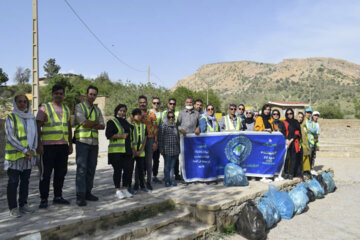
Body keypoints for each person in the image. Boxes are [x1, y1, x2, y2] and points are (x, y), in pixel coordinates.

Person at [36, 84, 73, 209]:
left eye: (61, 93)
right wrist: (39, 144)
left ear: (63, 95)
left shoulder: (66, 109)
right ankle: (44, 199)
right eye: (56, 93)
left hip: (62, 146)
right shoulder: (44, 108)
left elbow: (68, 127)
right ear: (52, 94)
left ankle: (58, 196)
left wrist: (70, 144)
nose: (59, 95)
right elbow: (37, 127)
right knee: (45, 174)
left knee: (61, 173)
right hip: (48, 147)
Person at [5, 95, 37, 217]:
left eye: (25, 102)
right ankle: (13, 208)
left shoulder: (31, 118)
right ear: (15, 103)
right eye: (20, 102)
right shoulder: (11, 117)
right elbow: (10, 137)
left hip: (28, 157)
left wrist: (33, 150)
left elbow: (35, 136)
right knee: (13, 183)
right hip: (15, 157)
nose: (23, 104)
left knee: (25, 182)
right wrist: (25, 150)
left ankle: (23, 204)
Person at [74, 85, 105, 206]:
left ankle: (88, 192)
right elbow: (83, 122)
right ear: (86, 94)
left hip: (94, 143)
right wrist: (94, 123)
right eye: (90, 94)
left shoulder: (97, 110)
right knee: (81, 169)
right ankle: (80, 195)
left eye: (94, 94)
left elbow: (103, 126)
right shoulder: (79, 106)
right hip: (82, 142)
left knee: (91, 168)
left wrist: (90, 123)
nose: (92, 96)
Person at [106, 104, 134, 199]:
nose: (122, 112)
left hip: (127, 150)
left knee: (128, 170)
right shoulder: (112, 122)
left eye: (124, 111)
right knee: (117, 171)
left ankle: (125, 189)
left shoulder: (126, 122)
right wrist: (120, 136)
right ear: (116, 111)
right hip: (116, 151)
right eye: (120, 110)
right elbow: (108, 135)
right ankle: (117, 190)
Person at [138, 95, 158, 191]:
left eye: (144, 102)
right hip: (139, 140)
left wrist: (155, 141)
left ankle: (148, 182)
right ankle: (138, 183)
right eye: (141, 102)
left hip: (150, 140)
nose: (142, 104)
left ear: (147, 103)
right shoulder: (135, 114)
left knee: (149, 162)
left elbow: (155, 128)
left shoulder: (151, 114)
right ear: (138, 103)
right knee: (138, 163)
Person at [159, 111, 180, 187]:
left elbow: (178, 138)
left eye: (172, 117)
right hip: (166, 150)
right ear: (167, 117)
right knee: (167, 167)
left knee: (172, 167)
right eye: (169, 117)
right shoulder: (163, 126)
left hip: (175, 150)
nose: (171, 118)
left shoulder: (175, 126)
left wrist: (179, 149)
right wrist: (161, 148)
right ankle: (167, 181)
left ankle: (172, 180)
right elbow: (160, 138)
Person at [282, 108, 302, 179]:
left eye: (291, 113)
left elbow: (297, 132)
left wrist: (291, 140)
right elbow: (283, 131)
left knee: (293, 158)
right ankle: (285, 172)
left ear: (293, 114)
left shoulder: (295, 122)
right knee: (286, 158)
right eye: (288, 114)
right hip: (286, 142)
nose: (289, 115)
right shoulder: (283, 122)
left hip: (294, 142)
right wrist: (287, 139)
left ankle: (291, 173)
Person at [131, 108, 148, 192]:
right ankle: (131, 186)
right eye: (136, 114)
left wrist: (141, 150)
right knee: (130, 169)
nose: (138, 116)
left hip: (141, 152)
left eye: (139, 114)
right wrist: (134, 150)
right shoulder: (131, 126)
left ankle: (142, 185)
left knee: (141, 170)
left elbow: (145, 138)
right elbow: (130, 139)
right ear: (133, 116)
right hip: (132, 152)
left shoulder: (144, 126)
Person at [150, 97, 162, 184]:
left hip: (158, 139)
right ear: (151, 104)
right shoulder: (148, 113)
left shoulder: (161, 114)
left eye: (158, 103)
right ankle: (146, 176)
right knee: (147, 159)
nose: (156, 104)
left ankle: (154, 175)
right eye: (154, 103)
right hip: (150, 138)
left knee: (156, 159)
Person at [297, 112, 311, 177]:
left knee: (306, 156)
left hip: (303, 143)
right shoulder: (295, 124)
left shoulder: (303, 125)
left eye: (301, 117)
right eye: (299, 117)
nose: (300, 118)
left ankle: (306, 170)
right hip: (296, 142)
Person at [307, 111, 320, 175]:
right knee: (310, 155)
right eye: (315, 115)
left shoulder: (317, 124)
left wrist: (317, 144)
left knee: (313, 156)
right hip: (310, 142)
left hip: (315, 141)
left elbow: (317, 134)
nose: (316, 117)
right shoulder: (310, 122)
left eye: (317, 116)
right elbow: (310, 130)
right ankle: (308, 169)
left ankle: (311, 168)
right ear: (312, 116)